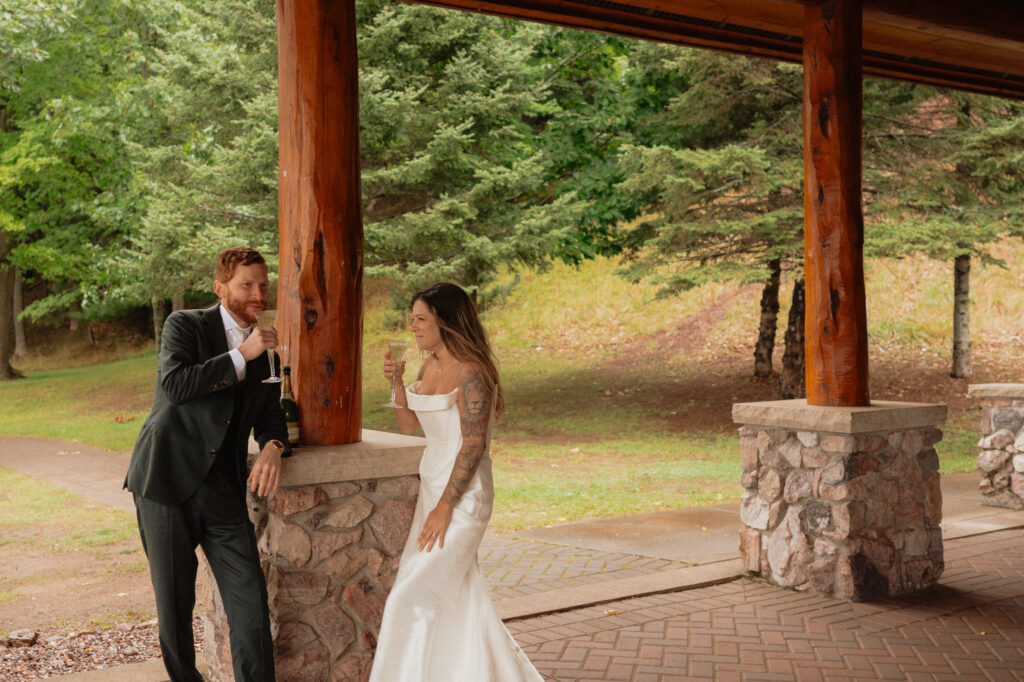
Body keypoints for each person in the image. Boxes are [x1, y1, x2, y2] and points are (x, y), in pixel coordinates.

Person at [124, 246, 291, 682]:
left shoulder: (270, 349)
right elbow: (176, 385)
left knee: (250, 605)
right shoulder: (186, 325)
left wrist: (273, 444)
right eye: (246, 285)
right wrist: (243, 355)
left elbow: (271, 413)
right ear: (221, 288)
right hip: (166, 482)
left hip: (224, 492)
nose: (258, 293)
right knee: (176, 608)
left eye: (262, 284)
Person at [369, 282, 543, 682]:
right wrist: (396, 383)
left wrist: (445, 507)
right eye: (411, 318)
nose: (412, 326)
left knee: (408, 597)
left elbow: (474, 445)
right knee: (459, 596)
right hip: (433, 484)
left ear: (444, 321)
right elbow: (412, 425)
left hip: (462, 496)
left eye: (420, 319)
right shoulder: (428, 366)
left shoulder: (472, 374)